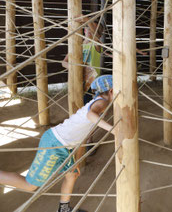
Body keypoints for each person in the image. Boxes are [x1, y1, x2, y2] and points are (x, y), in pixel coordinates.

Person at [0, 75, 115, 212]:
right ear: (112, 91)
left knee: (72, 174)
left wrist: (76, 160)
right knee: (30, 185)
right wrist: (114, 130)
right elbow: (90, 115)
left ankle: (64, 208)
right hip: (55, 144)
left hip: (65, 145)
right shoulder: (102, 103)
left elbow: (83, 133)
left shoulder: (100, 102)